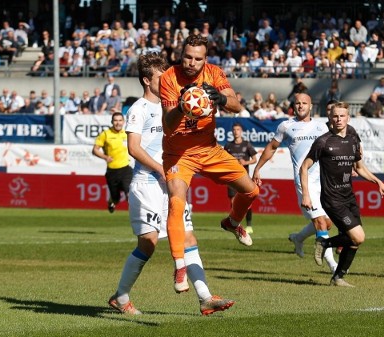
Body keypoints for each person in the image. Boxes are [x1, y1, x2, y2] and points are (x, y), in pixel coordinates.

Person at [108, 53, 233, 317]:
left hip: (173, 181)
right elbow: (133, 148)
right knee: (149, 243)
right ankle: (121, 296)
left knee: (188, 236)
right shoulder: (139, 109)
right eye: (159, 77)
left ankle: (205, 297)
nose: (166, 80)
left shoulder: (175, 104)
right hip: (147, 183)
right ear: (146, 80)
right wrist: (159, 169)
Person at [159, 34, 259, 294]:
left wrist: (222, 99)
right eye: (188, 57)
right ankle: (179, 264)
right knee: (176, 203)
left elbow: (237, 106)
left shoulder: (214, 73)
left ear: (206, 59)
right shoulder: (169, 77)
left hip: (209, 150)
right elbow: (168, 126)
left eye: (198, 58)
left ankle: (232, 223)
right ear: (181, 55)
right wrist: (183, 107)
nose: (192, 63)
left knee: (251, 190)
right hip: (179, 153)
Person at [301, 102, 384, 287]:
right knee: (359, 236)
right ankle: (324, 243)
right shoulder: (323, 142)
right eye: (335, 116)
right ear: (330, 118)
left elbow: (359, 167)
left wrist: (377, 181)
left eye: (342, 116)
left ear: (348, 118)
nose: (338, 119)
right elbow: (304, 167)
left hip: (349, 196)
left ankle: (338, 277)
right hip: (332, 198)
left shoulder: (352, 139)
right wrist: (306, 195)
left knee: (355, 241)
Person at [252, 93, 339, 273]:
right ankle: (335, 269)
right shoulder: (286, 126)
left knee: (328, 223)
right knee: (321, 224)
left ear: (311, 106)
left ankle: (298, 238)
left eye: (304, 103)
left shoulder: (321, 127)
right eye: (297, 103)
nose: (300, 106)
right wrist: (257, 168)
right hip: (304, 181)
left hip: (322, 181)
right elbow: (271, 148)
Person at [92, 113, 132, 213]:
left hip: (126, 168)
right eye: (115, 120)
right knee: (116, 198)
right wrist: (105, 157)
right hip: (112, 171)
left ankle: (136, 218)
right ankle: (111, 202)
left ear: (123, 122)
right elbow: (95, 150)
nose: (118, 123)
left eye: (120, 120)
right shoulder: (105, 134)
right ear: (112, 122)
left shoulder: (127, 134)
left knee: (130, 193)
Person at [224, 123, 258, 233]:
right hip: (231, 178)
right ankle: (236, 224)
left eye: (238, 129)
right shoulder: (228, 146)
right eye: (234, 129)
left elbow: (254, 159)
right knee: (233, 202)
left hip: (244, 178)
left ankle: (249, 225)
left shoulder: (246, 144)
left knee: (246, 202)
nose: (236, 131)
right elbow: (224, 160)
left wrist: (245, 162)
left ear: (241, 131)